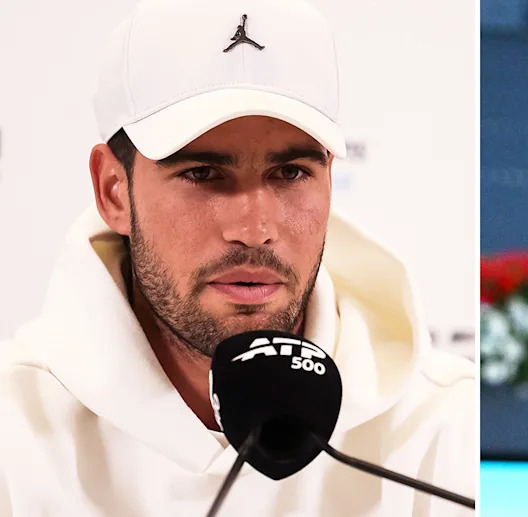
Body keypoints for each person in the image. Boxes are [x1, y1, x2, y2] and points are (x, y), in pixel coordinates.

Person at [0, 0, 475, 515]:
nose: (255, 230)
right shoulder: (14, 433)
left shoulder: (446, 432)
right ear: (113, 190)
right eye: (203, 173)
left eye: (290, 173)